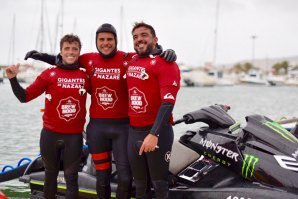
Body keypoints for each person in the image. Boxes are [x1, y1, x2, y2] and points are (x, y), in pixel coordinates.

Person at [24, 23, 177, 199]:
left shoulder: (128, 58)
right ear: (96, 42)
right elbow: (67, 59)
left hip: (123, 129)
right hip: (97, 129)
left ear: (116, 41)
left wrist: (166, 51)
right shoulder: (89, 59)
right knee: (102, 178)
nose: (106, 43)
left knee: (126, 178)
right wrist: (40, 56)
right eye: (101, 39)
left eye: (110, 39)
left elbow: (149, 53)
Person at [6, 34, 90, 199]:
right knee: (50, 177)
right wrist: (13, 79)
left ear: (79, 52)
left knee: (71, 178)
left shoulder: (85, 75)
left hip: (74, 136)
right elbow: (24, 97)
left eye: (75, 49)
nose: (71, 52)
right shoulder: (49, 74)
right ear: (61, 51)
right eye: (67, 48)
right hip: (50, 135)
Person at [126, 22, 180, 199]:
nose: (139, 40)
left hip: (158, 133)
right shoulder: (131, 60)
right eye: (135, 37)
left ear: (155, 39)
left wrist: (154, 133)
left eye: (144, 35)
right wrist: (54, 60)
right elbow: (103, 57)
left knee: (159, 185)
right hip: (133, 133)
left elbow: (168, 103)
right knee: (140, 186)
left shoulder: (166, 64)